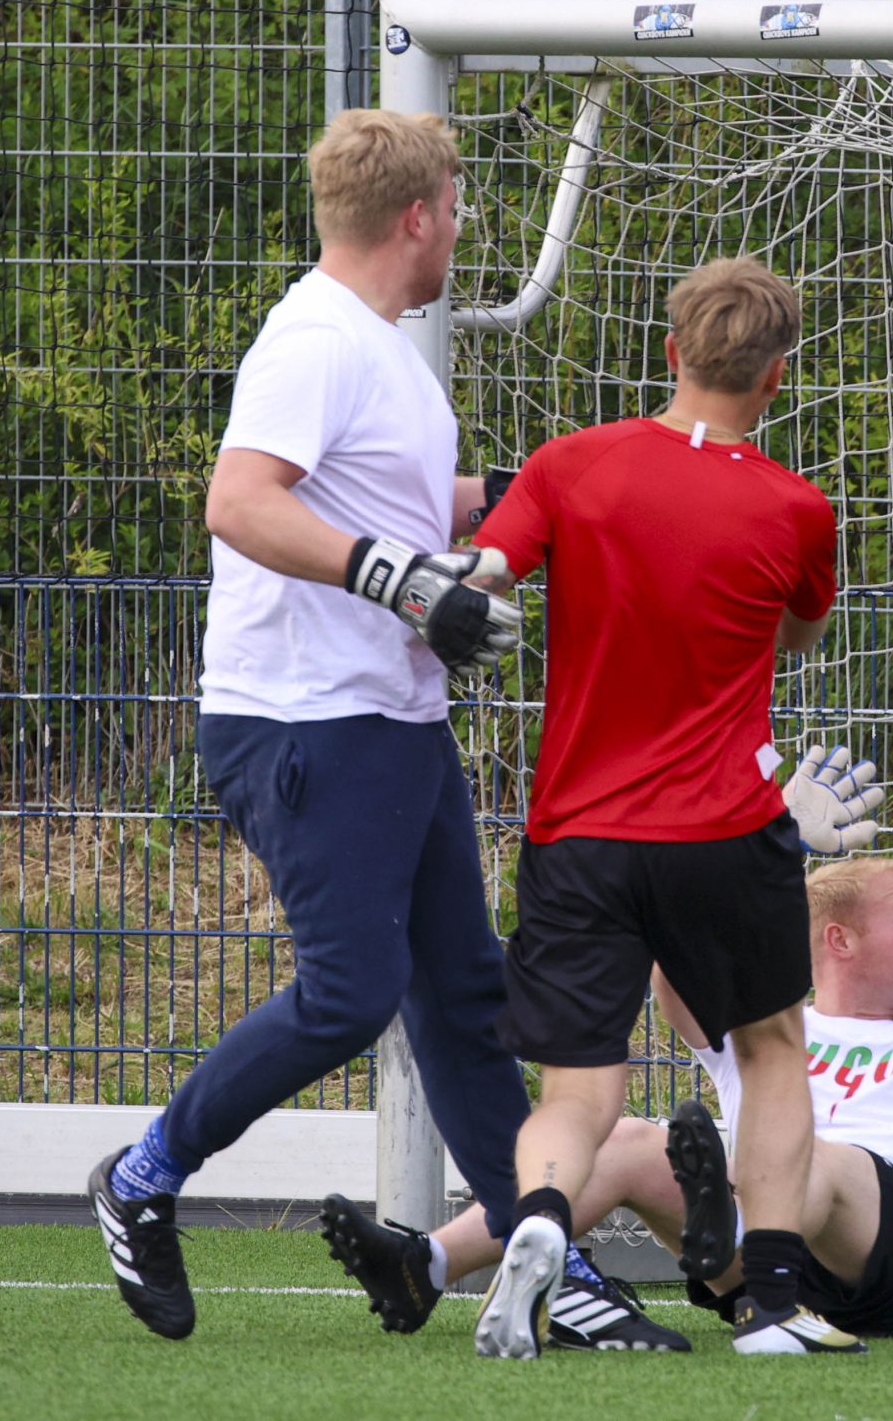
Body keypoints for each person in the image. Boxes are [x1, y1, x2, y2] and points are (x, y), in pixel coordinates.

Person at [86, 108, 671, 1351]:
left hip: (390, 722)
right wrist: (405, 584)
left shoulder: (384, 347)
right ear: (417, 217)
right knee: (352, 995)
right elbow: (240, 502)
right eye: (455, 208)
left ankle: (544, 1268)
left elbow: (417, 498)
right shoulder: (314, 340)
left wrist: (583, 487)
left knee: (463, 1000)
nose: (461, 229)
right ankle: (140, 1178)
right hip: (306, 725)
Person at [314, 763, 893, 1344]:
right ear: (838, 941)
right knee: (620, 1140)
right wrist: (756, 842)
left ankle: (722, 1220)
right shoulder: (773, 1028)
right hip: (767, 1261)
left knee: (825, 1156)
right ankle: (421, 1264)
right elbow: (673, 972)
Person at [458, 255, 854, 1358]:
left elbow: (480, 576)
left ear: (671, 351)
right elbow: (803, 632)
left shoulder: (571, 465)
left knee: (579, 1089)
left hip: (578, 833)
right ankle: (773, 1304)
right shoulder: (797, 508)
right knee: (772, 1049)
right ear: (776, 377)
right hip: (724, 831)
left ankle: (540, 1218)